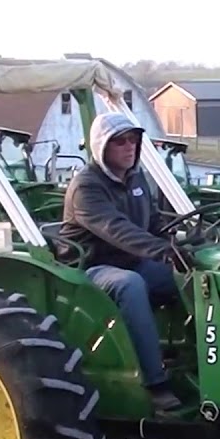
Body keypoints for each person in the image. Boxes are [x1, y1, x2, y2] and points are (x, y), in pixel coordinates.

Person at [59, 111, 182, 413]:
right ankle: (154, 383)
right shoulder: (86, 187)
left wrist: (183, 241)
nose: (129, 147)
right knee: (130, 285)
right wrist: (161, 251)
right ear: (102, 147)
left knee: (188, 274)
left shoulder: (136, 178)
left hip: (132, 260)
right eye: (120, 142)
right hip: (91, 267)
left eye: (134, 140)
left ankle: (192, 361)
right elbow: (116, 229)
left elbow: (153, 222)